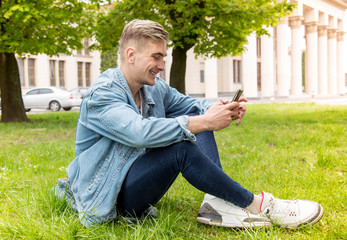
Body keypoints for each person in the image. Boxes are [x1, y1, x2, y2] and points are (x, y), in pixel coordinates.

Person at [54, 19, 323, 229]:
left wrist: (219, 109)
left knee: (195, 123)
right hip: (108, 196)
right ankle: (256, 205)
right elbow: (139, 133)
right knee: (183, 143)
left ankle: (218, 204)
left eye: (163, 58)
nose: (161, 65)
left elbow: (191, 106)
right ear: (131, 54)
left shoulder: (154, 88)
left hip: (135, 182)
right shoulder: (103, 93)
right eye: (156, 57)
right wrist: (204, 120)